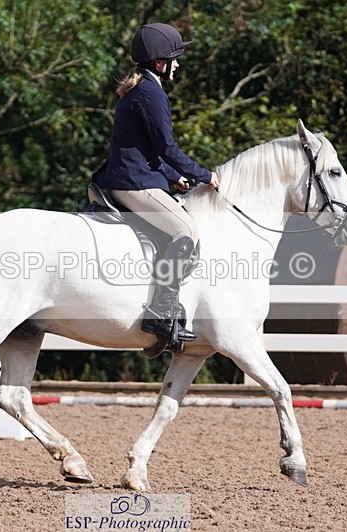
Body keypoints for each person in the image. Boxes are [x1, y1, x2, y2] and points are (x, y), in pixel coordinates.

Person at [94, 22, 219, 352]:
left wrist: (171, 176)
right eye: (174, 58)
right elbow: (167, 146)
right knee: (186, 232)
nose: (178, 64)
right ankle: (160, 314)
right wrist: (204, 175)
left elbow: (145, 148)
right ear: (159, 63)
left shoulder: (139, 90)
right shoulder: (151, 93)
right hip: (133, 183)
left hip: (133, 175)